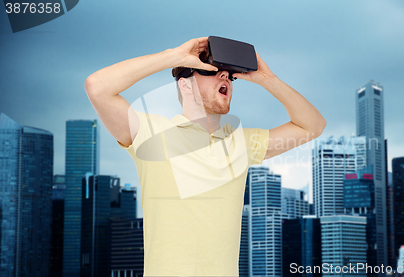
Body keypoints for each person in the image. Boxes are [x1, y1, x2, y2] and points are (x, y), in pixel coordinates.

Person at [85, 37, 326, 276]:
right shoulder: (152, 134)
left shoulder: (241, 143)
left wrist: (268, 80)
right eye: (211, 71)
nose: (225, 77)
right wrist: (172, 57)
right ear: (185, 85)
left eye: (229, 75)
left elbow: (312, 126)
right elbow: (97, 87)